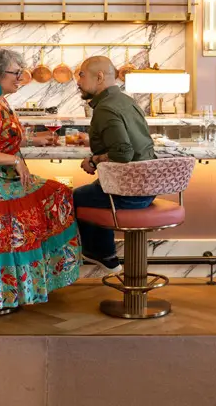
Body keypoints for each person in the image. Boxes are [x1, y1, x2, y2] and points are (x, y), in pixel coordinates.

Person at [0, 48, 82, 309]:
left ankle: (38, 281)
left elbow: (0, 138)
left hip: (5, 179)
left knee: (59, 192)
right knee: (43, 204)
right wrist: (14, 160)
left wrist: (33, 139)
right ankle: (16, 288)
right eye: (15, 73)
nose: (20, 79)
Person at [73, 55, 157, 274]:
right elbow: (131, 143)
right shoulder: (126, 101)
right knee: (95, 191)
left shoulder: (105, 108)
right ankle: (104, 253)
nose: (78, 81)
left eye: (81, 75)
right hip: (148, 189)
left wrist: (93, 159)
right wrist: (93, 141)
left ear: (99, 77)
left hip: (128, 194)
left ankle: (101, 254)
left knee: (71, 198)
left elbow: (123, 152)